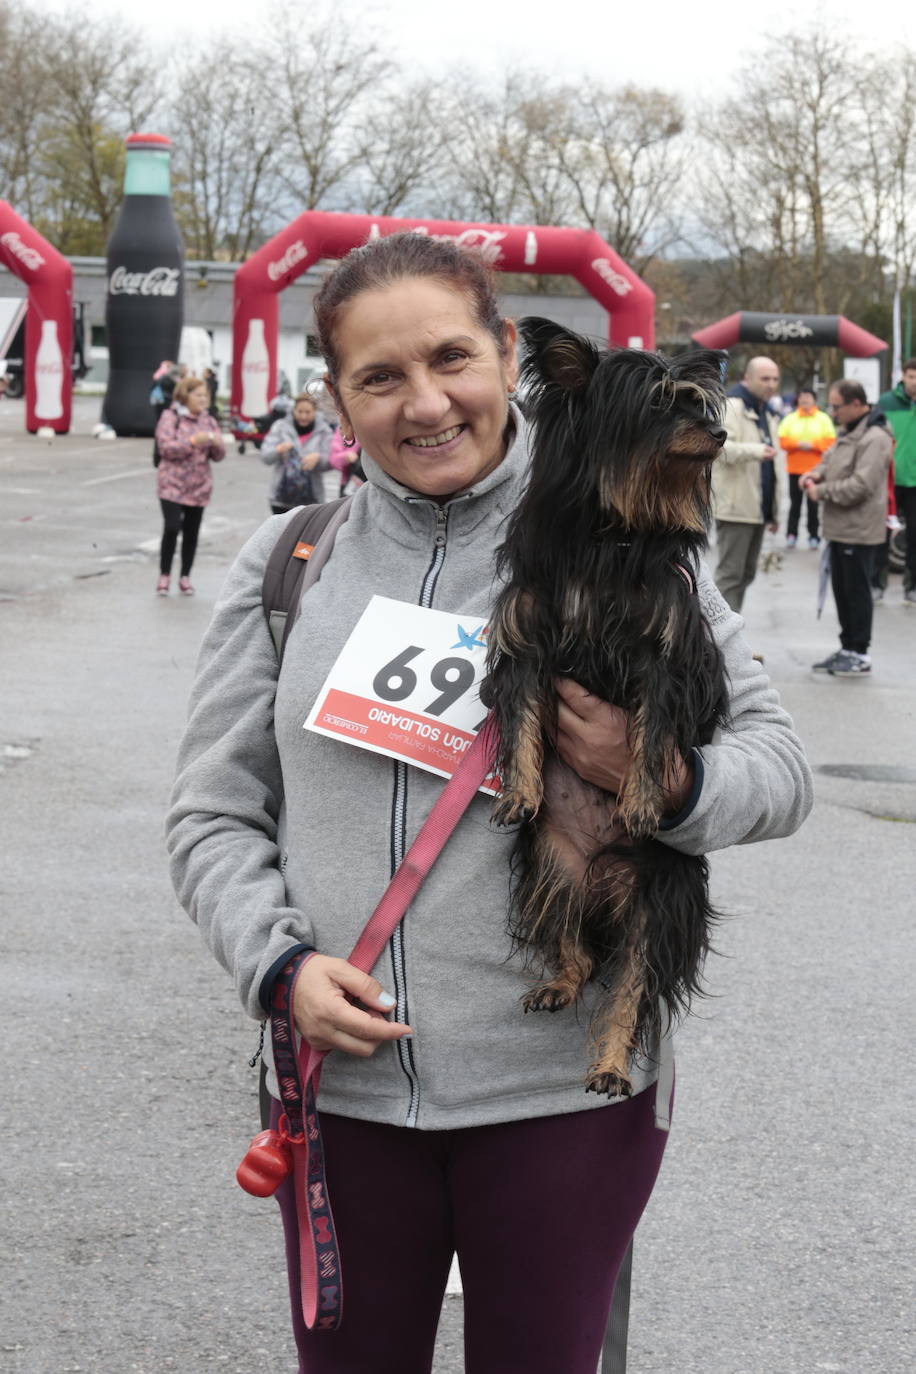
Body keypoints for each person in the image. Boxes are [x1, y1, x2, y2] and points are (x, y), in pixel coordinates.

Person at [166, 232, 812, 1374]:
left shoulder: (636, 544)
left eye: (452, 359)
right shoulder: (291, 560)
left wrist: (663, 781)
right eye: (380, 376)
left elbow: (779, 766)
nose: (426, 404)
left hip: (561, 1095)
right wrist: (278, 966)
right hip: (344, 1093)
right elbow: (213, 815)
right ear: (337, 396)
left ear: (508, 354)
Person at [806, 379, 893, 675]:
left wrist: (822, 491)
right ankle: (847, 648)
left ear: (856, 404)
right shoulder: (849, 432)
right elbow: (829, 461)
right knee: (842, 591)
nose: (833, 412)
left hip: (859, 529)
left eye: (836, 406)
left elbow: (861, 485)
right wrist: (813, 475)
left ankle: (860, 653)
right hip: (839, 528)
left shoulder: (875, 437)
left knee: (857, 593)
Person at [711, 356, 782, 612]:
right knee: (730, 576)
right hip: (736, 509)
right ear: (747, 379)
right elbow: (718, 448)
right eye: (765, 378)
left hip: (757, 511)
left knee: (745, 575)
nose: (771, 384)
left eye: (775, 379)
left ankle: (731, 637)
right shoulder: (733, 406)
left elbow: (773, 468)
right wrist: (755, 451)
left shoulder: (766, 410)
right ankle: (717, 640)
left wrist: (773, 511)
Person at [154, 374, 225, 596]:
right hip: (171, 484)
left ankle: (185, 576)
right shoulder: (170, 416)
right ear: (185, 396)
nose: (204, 399)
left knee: (192, 533)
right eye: (199, 395)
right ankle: (164, 575)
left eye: (206, 395)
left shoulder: (209, 420)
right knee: (172, 527)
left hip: (199, 486)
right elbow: (165, 448)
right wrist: (193, 442)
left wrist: (215, 442)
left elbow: (219, 455)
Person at [877, 358, 916, 604]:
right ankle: (877, 584)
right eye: (912, 377)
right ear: (904, 376)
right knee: (880, 536)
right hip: (888, 481)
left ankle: (911, 587)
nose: (915, 382)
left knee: (915, 536)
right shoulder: (886, 402)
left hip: (915, 483)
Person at [777, 387, 835, 548]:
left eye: (808, 397)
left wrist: (813, 445)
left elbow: (831, 443)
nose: (805, 400)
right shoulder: (790, 419)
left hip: (815, 471)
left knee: (813, 506)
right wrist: (797, 444)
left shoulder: (823, 419)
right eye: (802, 397)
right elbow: (782, 440)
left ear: (814, 400)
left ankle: (814, 536)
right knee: (794, 505)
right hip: (794, 469)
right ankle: (791, 534)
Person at [260, 391, 333, 513]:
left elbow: (332, 461)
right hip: (281, 498)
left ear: (315, 411)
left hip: (311, 500)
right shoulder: (280, 427)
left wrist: (318, 458)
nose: (303, 416)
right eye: (300, 411)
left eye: (308, 412)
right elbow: (265, 457)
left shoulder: (324, 431)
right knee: (283, 532)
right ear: (293, 410)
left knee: (310, 532)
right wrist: (278, 450)